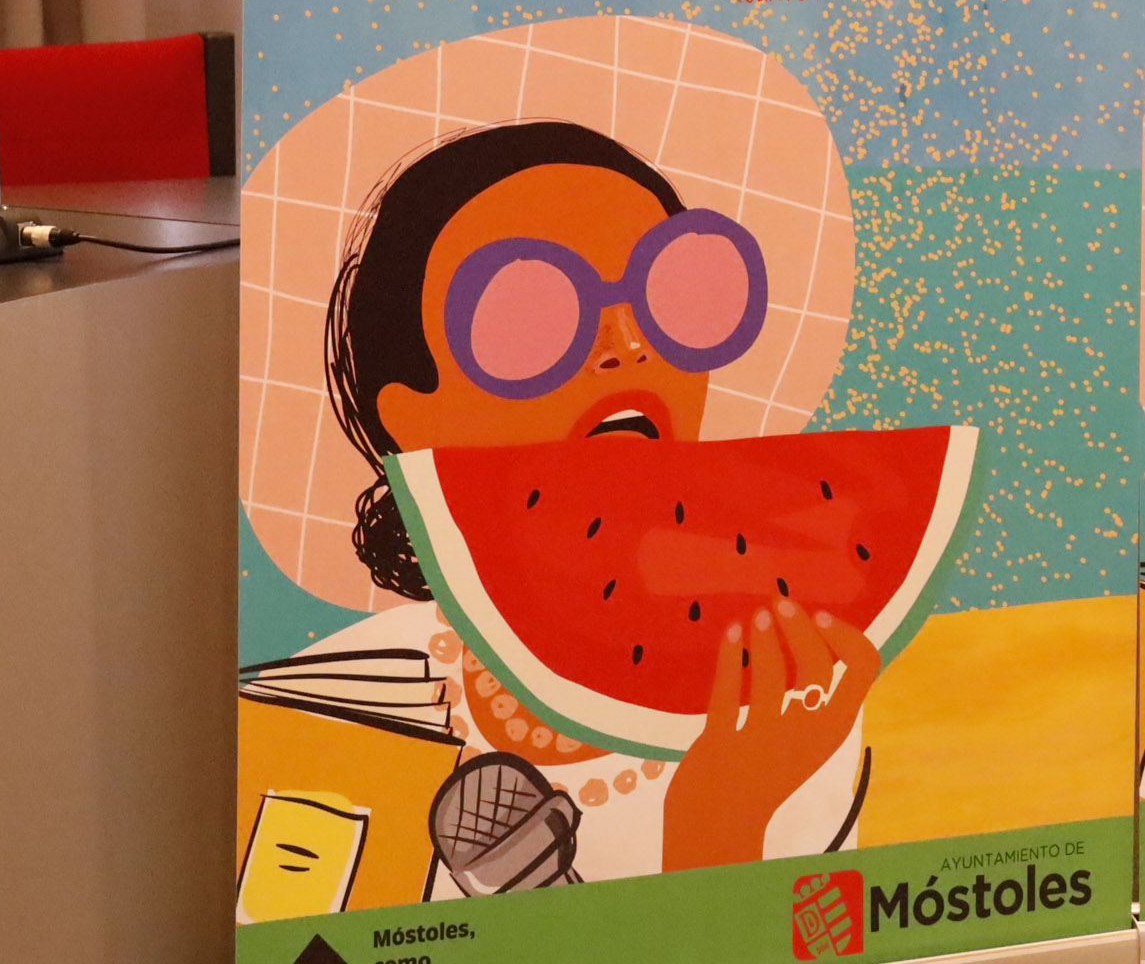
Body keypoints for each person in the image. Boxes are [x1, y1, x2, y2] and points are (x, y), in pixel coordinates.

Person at [319, 119, 877, 875]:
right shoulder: (333, 705)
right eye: (526, 318)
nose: (627, 346)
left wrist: (730, 811)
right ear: (411, 421)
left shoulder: (800, 691)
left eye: (669, 295)